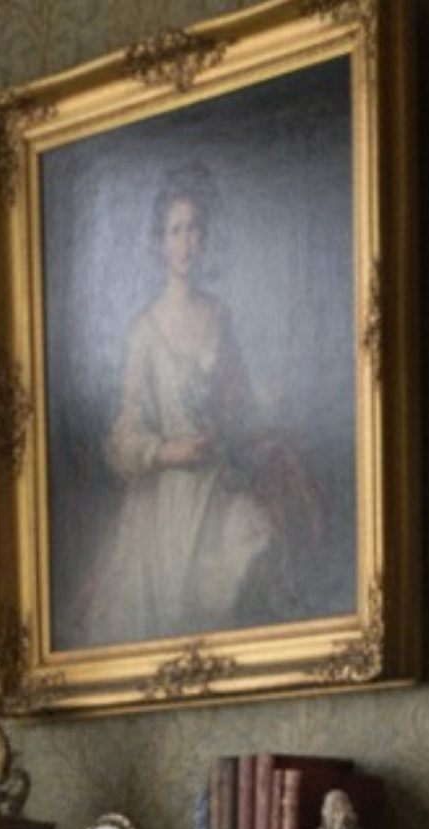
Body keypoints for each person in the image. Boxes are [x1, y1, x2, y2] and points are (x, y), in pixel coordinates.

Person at [85, 165, 318, 647]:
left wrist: (257, 411)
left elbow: (241, 403)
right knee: (174, 615)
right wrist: (169, 452)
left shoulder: (220, 315)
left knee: (256, 541)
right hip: (167, 504)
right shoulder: (144, 332)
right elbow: (125, 436)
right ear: (159, 243)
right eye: (176, 230)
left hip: (219, 484)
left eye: (194, 228)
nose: (187, 241)